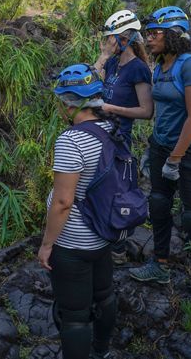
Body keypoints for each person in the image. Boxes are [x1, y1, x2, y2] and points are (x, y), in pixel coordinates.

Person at [127, 6, 191, 324]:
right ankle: (159, 264)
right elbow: (160, 110)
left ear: (173, 34)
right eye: (148, 33)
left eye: (155, 33)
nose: (149, 38)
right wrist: (153, 149)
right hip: (161, 148)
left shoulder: (189, 67)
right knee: (158, 204)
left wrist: (175, 158)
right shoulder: (160, 65)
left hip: (190, 154)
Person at [38, 63, 117, 359]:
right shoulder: (114, 129)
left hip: (73, 242)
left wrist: (47, 245)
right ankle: (102, 351)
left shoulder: (71, 140)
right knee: (105, 295)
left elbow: (62, 202)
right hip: (104, 232)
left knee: (74, 315)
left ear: (67, 103)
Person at [93, 9, 153, 264]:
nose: (108, 42)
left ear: (126, 37)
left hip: (119, 140)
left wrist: (111, 109)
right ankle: (99, 239)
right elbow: (91, 85)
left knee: (117, 192)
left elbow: (146, 111)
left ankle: (118, 248)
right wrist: (103, 56)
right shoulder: (112, 63)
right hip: (99, 135)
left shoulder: (137, 69)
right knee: (96, 190)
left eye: (112, 38)